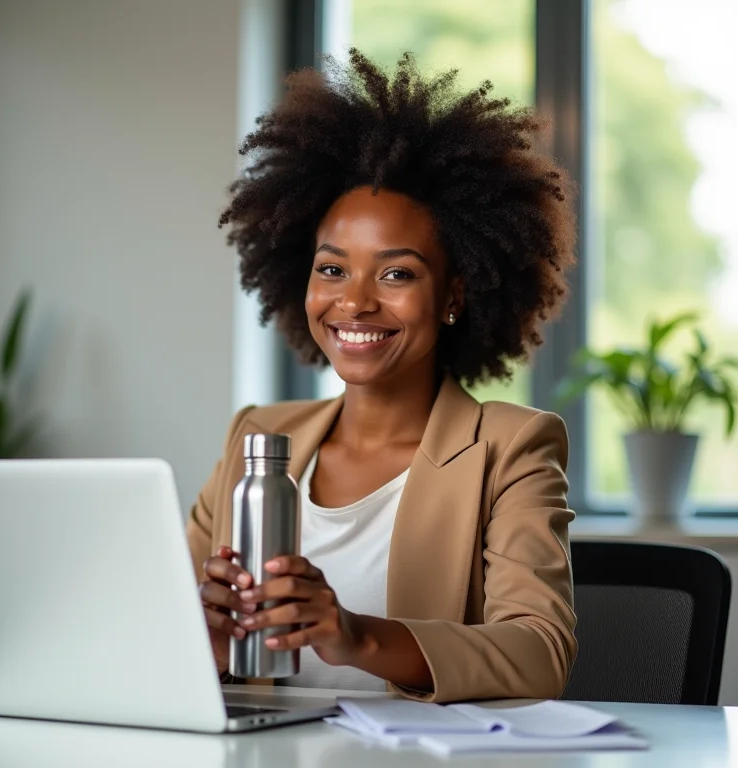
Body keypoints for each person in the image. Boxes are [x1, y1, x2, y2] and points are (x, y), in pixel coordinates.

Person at [189, 50, 577, 703]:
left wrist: (355, 636)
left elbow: (539, 652)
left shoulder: (512, 447)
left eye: (396, 273)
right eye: (332, 268)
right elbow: (159, 622)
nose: (355, 302)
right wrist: (203, 635)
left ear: (454, 292)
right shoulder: (256, 436)